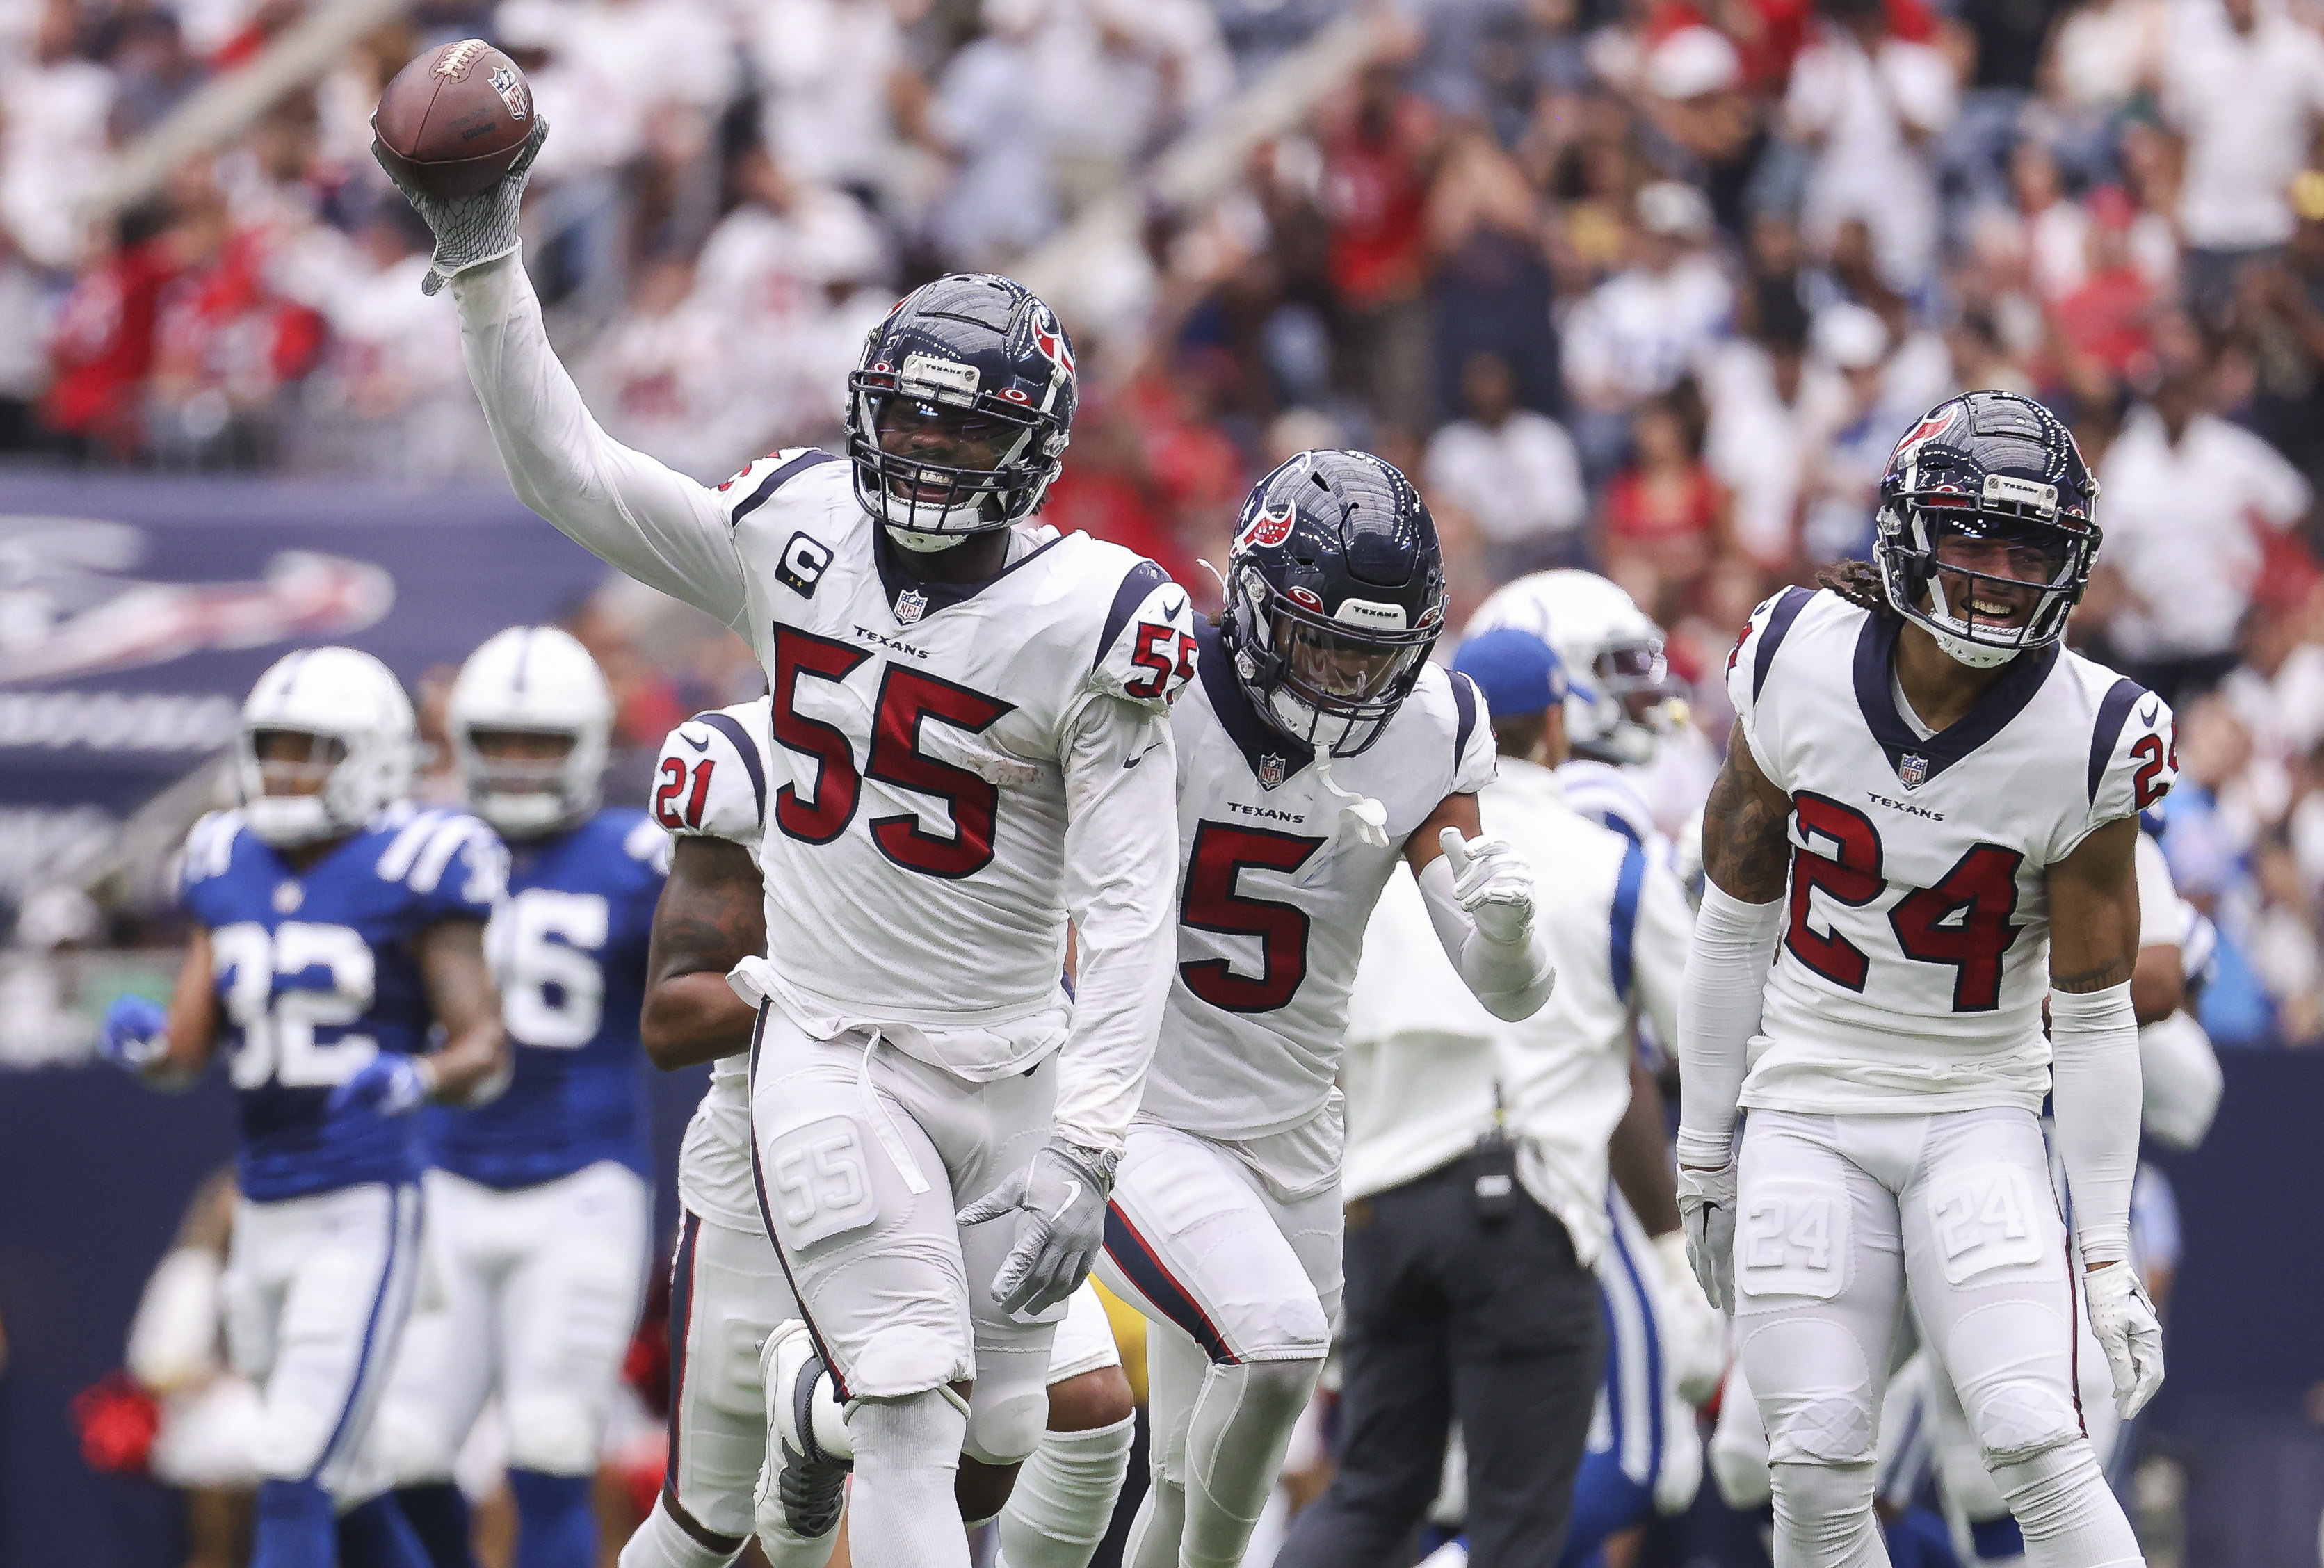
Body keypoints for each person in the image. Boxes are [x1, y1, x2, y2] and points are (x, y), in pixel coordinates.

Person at [385, 116, 1195, 1568]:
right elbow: (568, 471)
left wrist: (1087, 1143)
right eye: (915, 413)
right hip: (827, 1049)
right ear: (867, 404)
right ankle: (844, 1407)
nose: (933, 446)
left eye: (969, 423)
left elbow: (1140, 905)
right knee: (908, 1408)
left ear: (1038, 445)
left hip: (1013, 1067)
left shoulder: (1095, 616)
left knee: (1002, 1440)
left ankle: (804, 1413)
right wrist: (484, 254)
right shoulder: (791, 523)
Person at [1677, 389, 2171, 1567]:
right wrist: (1706, 1144)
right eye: (1973, 538)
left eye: (2030, 549)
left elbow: (2096, 1011)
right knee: (1811, 1462)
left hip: (1975, 1107)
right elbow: (1735, 918)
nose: (2001, 574)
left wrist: (2102, 1248)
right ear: (1906, 531)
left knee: (2030, 1435)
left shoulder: (2092, 731)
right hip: (1806, 1101)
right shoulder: (1793, 654)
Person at [1086, 450, 1558, 1568]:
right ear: (1250, 602)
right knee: (1278, 1346)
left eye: (1375, 652)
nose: (1348, 676)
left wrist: (1504, 927)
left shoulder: (1426, 725)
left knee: (1187, 1462)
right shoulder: (1157, 685)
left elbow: (1508, 991)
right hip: (1140, 1110)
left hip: (1296, 1132)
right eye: (1325, 640)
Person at [627, 695, 1139, 1568]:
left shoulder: (1045, 711)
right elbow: (673, 1014)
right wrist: (850, 994)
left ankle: (822, 1418)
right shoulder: (755, 750)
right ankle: (822, 1416)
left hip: (981, 1123)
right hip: (787, 1150)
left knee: (1073, 1412)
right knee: (711, 1524)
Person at [1277, 625, 1702, 1568]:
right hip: (1521, 1211)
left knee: (1372, 1492)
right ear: (1554, 726)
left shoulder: (1374, 858)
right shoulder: (1610, 865)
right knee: (1519, 1523)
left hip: (1375, 1210)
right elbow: (1705, 1045)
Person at [98, 645, 509, 1568]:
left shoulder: (419, 858)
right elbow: (187, 1050)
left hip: (362, 1202)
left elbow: (484, 1046)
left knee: (291, 1464)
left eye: (311, 749)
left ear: (373, 756)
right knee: (347, 1479)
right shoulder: (223, 855)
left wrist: (418, 1076)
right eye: (274, 747)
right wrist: (149, 1047)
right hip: (263, 1206)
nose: (285, 769)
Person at [371, 627, 668, 1568]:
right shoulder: (416, 846)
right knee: (404, 1451)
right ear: (460, 736)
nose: (519, 761)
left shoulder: (640, 853)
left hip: (582, 1183)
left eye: (541, 740)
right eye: (500, 738)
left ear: (588, 740)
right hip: (444, 1177)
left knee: (550, 1442)